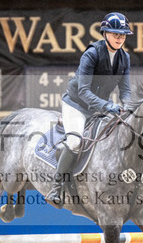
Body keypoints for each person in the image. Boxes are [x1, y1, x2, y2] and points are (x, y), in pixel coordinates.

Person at [45, 12, 134, 208]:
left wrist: (129, 108)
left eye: (123, 35)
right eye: (115, 34)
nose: (120, 38)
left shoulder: (125, 58)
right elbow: (84, 91)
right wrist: (108, 106)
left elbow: (125, 91)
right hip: (77, 105)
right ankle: (56, 188)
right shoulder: (92, 54)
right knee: (75, 142)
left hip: (99, 108)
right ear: (105, 33)